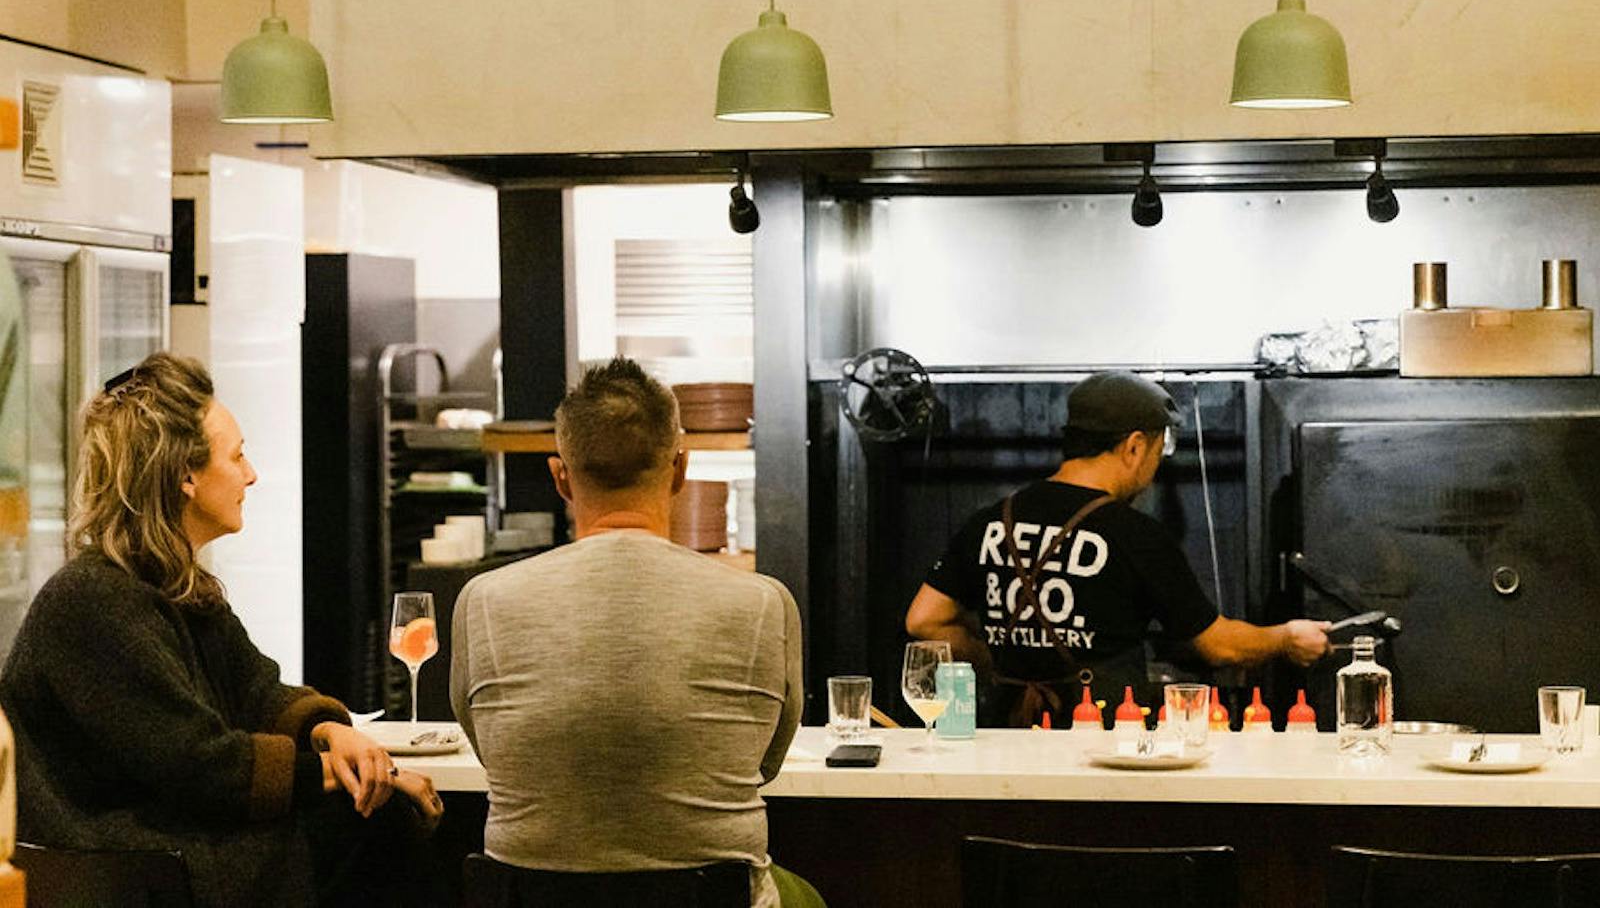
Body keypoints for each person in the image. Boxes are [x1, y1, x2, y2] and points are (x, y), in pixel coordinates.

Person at [0, 353, 444, 908]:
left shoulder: (173, 583)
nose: (252, 474)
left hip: (170, 844)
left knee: (384, 815)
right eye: (236, 457)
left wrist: (334, 734)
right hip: (125, 863)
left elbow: (256, 690)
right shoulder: (94, 600)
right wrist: (350, 774)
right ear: (185, 476)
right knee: (382, 824)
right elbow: (202, 767)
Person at [451, 357, 821, 908]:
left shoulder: (483, 601)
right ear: (680, 470)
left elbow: (495, 753)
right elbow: (762, 764)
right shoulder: (763, 604)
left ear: (561, 477)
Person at [905, 370, 1331, 727]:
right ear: (1133, 446)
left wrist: (992, 659)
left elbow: (924, 620)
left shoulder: (993, 520)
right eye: (1158, 449)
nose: (1154, 467)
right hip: (1105, 742)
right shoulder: (1134, 534)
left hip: (1007, 737)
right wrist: (1285, 637)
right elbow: (1218, 645)